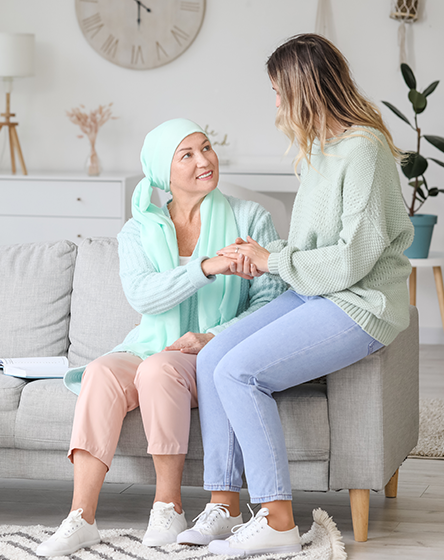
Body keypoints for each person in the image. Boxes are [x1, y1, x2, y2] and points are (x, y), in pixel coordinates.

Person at [181, 34, 414, 557]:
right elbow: (312, 250)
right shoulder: (317, 151)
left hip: (359, 303)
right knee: (214, 357)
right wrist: (262, 254)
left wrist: (273, 260)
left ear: (304, 89)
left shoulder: (365, 151)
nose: (278, 105)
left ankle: (278, 519)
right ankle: (225, 505)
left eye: (280, 93)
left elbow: (353, 260)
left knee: (241, 373)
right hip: (317, 292)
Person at [35, 118, 287, 557]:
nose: (204, 160)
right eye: (186, 155)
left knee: (158, 370)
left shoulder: (250, 218)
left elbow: (270, 304)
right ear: (161, 173)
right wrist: (205, 267)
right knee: (99, 372)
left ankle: (168, 507)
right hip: (150, 344)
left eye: (206, 148)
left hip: (212, 352)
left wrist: (212, 336)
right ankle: (81, 517)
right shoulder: (138, 230)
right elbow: (144, 296)